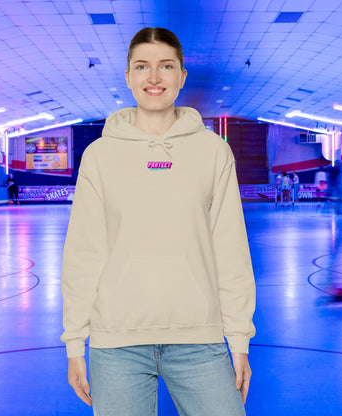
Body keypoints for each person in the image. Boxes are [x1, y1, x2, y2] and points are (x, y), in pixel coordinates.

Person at [60, 27, 256, 416]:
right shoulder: (100, 156)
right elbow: (84, 253)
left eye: (166, 66)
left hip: (200, 341)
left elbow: (230, 251)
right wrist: (74, 342)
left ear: (182, 76)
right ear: (129, 76)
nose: (154, 77)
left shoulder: (214, 152)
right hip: (116, 345)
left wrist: (239, 340)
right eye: (142, 66)